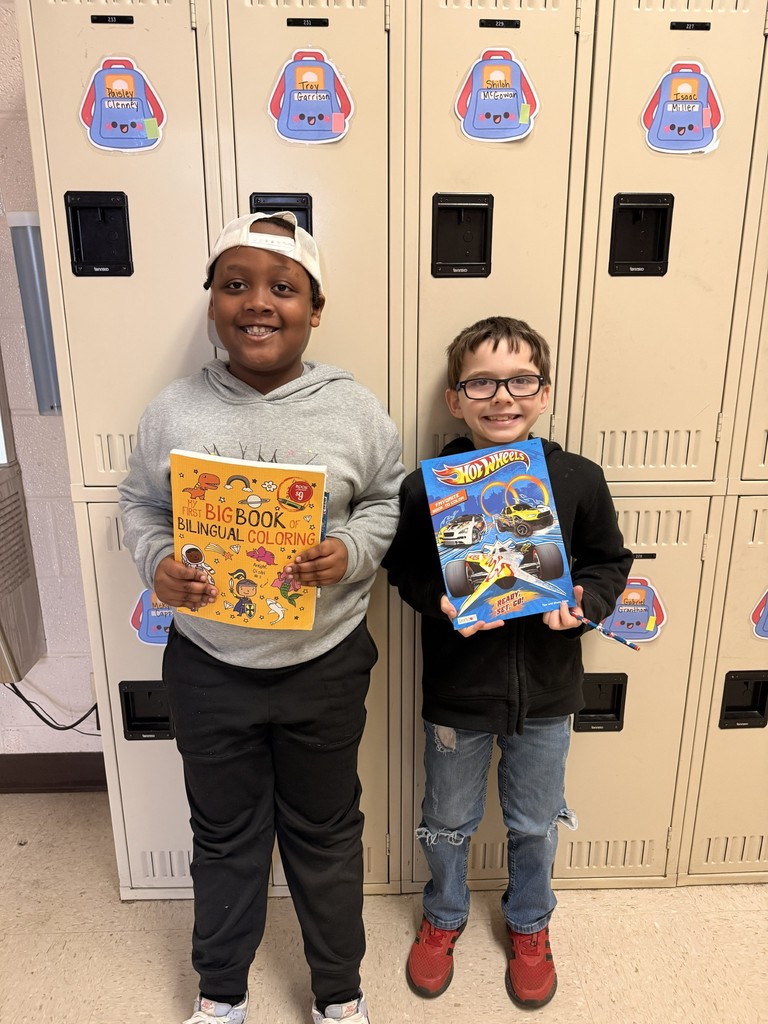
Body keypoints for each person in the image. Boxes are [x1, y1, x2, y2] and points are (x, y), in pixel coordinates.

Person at [118, 211, 404, 1024]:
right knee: (225, 833)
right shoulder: (173, 411)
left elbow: (387, 499)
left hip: (326, 661)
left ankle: (339, 993)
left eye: (283, 288)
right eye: (235, 285)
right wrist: (157, 563)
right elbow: (138, 506)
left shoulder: (353, 410)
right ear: (211, 304)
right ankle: (221, 991)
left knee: (325, 832)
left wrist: (349, 550)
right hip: (210, 665)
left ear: (315, 310)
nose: (258, 303)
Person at [383, 316, 632, 1009]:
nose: (503, 397)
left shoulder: (578, 478)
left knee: (533, 821)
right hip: (459, 693)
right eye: (482, 382)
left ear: (544, 392)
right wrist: (444, 602)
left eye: (521, 380)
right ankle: (445, 914)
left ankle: (530, 924)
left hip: (549, 693)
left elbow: (610, 562)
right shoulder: (427, 488)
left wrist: (587, 598)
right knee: (448, 817)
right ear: (455, 399)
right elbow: (404, 572)